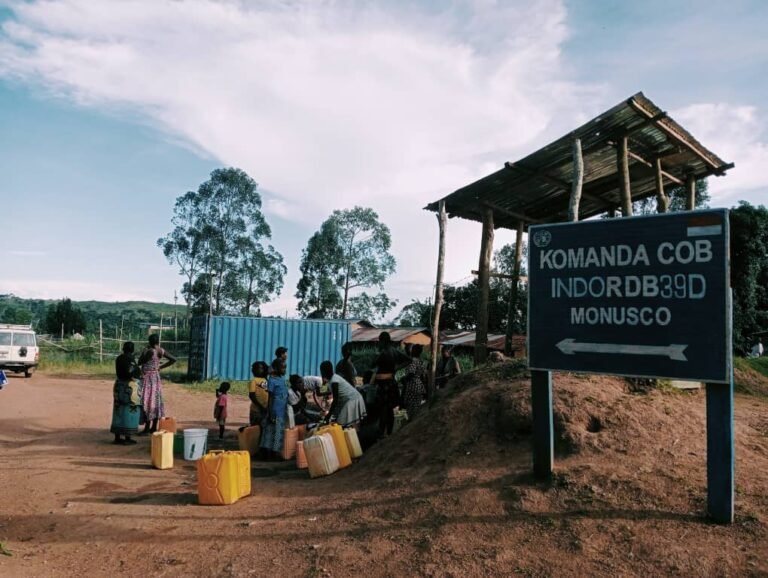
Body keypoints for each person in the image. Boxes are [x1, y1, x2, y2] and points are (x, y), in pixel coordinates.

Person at [371, 331, 410, 437]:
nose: (379, 343)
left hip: (384, 386)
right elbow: (408, 360)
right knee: (390, 410)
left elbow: (373, 365)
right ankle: (389, 432)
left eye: (380, 341)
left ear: (384, 341)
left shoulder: (383, 353)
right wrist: (396, 369)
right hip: (392, 384)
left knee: (384, 410)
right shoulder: (394, 351)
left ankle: (382, 433)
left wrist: (376, 356)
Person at [138, 334, 176, 435]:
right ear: (158, 341)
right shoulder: (161, 350)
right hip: (156, 378)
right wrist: (161, 367)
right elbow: (173, 359)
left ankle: (147, 428)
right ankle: (153, 427)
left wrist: (144, 351)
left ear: (150, 342)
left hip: (148, 378)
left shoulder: (150, 351)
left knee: (147, 401)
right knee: (155, 402)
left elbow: (140, 362)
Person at [319, 360, 367, 429]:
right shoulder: (332, 378)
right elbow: (322, 391)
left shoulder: (334, 381)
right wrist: (323, 380)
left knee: (342, 423)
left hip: (352, 399)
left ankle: (354, 434)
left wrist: (328, 415)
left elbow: (335, 400)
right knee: (344, 422)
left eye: (321, 371)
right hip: (350, 399)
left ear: (323, 372)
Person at [110, 341, 141, 445]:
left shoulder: (119, 358)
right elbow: (130, 371)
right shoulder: (130, 359)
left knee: (118, 410)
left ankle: (117, 437)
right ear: (132, 350)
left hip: (119, 385)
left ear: (123, 348)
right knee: (129, 410)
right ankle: (127, 438)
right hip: (129, 386)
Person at [260, 358, 289, 460]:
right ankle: (272, 454)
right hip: (275, 411)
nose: (284, 370)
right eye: (283, 368)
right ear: (276, 368)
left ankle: (272, 453)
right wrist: (270, 412)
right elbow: (271, 397)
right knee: (273, 433)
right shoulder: (272, 380)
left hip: (281, 411)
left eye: (285, 368)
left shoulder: (281, 378)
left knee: (277, 432)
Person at [400, 344, 427, 421]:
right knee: (416, 407)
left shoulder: (412, 361)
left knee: (410, 407)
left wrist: (403, 379)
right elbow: (423, 376)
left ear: (413, 351)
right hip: (419, 385)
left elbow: (411, 374)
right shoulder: (420, 361)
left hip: (412, 386)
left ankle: (410, 422)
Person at [248, 361, 269, 426]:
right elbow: (252, 395)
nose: (256, 370)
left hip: (265, 409)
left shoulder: (266, 380)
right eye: (255, 368)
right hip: (256, 410)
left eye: (260, 368)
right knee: (255, 427)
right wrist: (261, 407)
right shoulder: (253, 381)